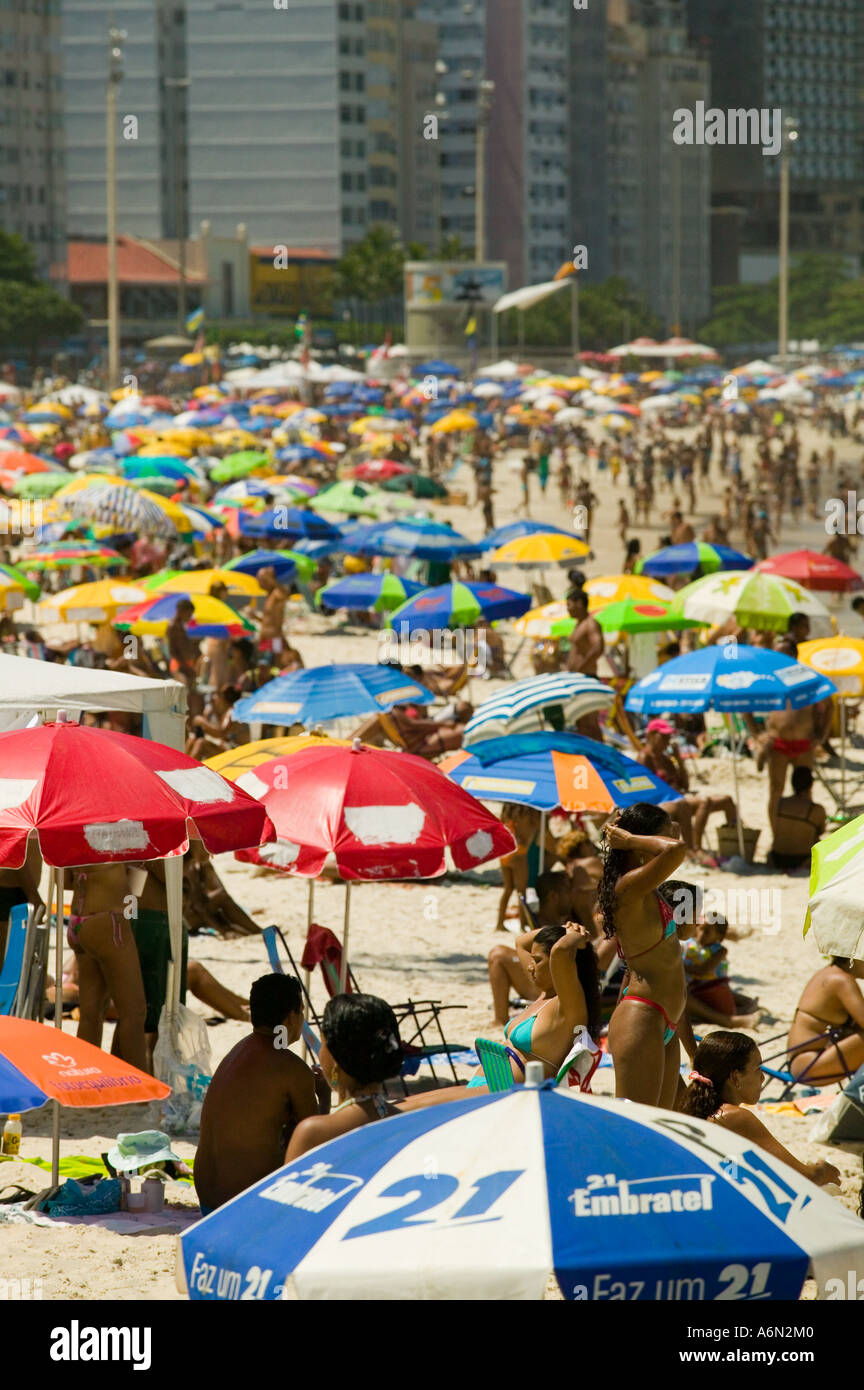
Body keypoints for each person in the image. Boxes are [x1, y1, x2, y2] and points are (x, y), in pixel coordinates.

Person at [195, 974, 323, 1213]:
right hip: (243, 1206)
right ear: (292, 1017)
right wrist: (323, 1096)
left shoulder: (238, 1051)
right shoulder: (292, 1069)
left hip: (207, 1200)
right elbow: (313, 1144)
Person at [599, 803, 688, 1107]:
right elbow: (676, 849)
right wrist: (629, 839)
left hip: (664, 1018)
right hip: (643, 1015)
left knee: (662, 1125)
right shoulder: (628, 888)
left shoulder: (645, 886)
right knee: (637, 1126)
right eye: (657, 838)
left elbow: (674, 838)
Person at [680, 1031, 841, 1187]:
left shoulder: (691, 1108)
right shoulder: (733, 1117)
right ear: (735, 1077)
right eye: (758, 1069)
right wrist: (824, 1171)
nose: (763, 1078)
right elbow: (804, 1178)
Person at [285, 994, 403, 1159]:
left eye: (322, 1042)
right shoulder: (405, 1122)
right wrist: (325, 1104)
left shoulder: (311, 1134)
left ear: (334, 1059)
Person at [65, 862, 148, 1073]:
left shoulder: (68, 832)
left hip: (78, 918)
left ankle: (85, 1081)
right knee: (134, 1012)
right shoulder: (118, 831)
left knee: (90, 1013)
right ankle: (142, 1090)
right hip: (108, 921)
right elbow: (135, 887)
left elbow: (66, 882)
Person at [638, 717, 737, 859]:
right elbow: (645, 790)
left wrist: (679, 761)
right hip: (660, 803)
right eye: (664, 736)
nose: (668, 740)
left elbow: (685, 785)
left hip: (677, 797)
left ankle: (735, 845)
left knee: (726, 800)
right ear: (652, 735)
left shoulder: (666, 759)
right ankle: (695, 849)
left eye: (669, 736)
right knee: (694, 802)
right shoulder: (645, 757)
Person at [786, 957, 864, 1084]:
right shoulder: (841, 980)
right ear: (853, 958)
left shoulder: (828, 972)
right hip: (810, 1065)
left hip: (801, 1063)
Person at [769, 765, 826, 872]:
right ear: (811, 785)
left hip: (776, 858)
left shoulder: (781, 803)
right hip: (803, 859)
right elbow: (820, 832)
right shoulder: (816, 809)